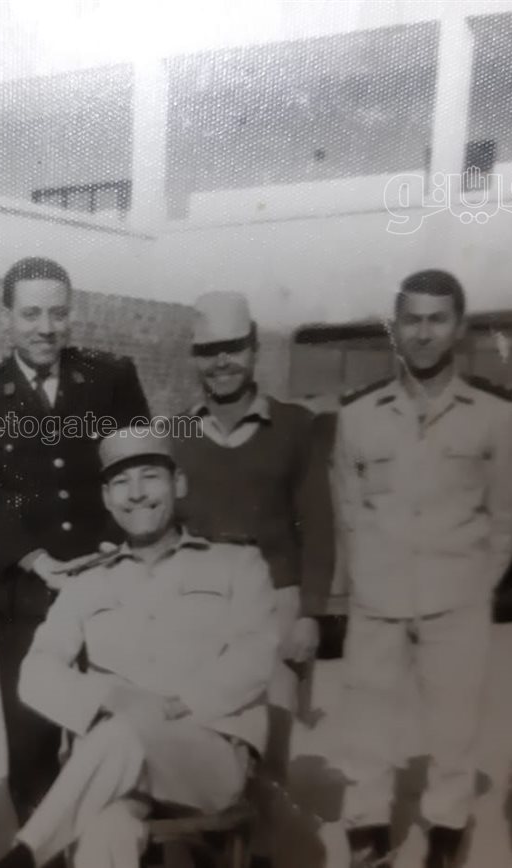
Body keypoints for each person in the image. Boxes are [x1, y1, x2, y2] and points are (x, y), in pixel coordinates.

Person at [0, 425, 279, 868]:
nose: (137, 493)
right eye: (121, 482)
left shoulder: (236, 563)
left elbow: (255, 656)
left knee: (126, 730)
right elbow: (36, 671)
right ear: (107, 498)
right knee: (106, 829)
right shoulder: (88, 580)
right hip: (114, 770)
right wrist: (112, 697)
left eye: (150, 477)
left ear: (178, 483)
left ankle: (24, 856)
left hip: (204, 760)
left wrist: (177, 706)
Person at [332, 269, 512, 868]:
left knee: (454, 730)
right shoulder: (359, 414)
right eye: (412, 320)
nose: (423, 333)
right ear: (395, 328)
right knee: (366, 728)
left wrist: (475, 583)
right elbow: (348, 509)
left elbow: (508, 513)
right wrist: (368, 576)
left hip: (458, 596)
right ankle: (367, 837)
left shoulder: (495, 413)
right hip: (379, 597)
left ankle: (444, 839)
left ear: (459, 328)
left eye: (437, 320)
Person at [0, 256, 151, 825]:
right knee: (32, 747)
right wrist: (35, 559)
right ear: (6, 318)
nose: (46, 328)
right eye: (31, 314)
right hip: (26, 596)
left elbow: (138, 472)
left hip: (109, 587)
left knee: (119, 736)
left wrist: (113, 546)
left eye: (58, 314)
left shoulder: (111, 379)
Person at [171, 290, 334, 868]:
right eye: (208, 350)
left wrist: (310, 613)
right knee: (204, 737)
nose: (221, 362)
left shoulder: (295, 427)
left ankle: (259, 855)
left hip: (275, 603)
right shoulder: (177, 434)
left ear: (254, 348)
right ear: (195, 357)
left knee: (269, 741)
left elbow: (318, 525)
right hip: (202, 606)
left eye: (233, 348)